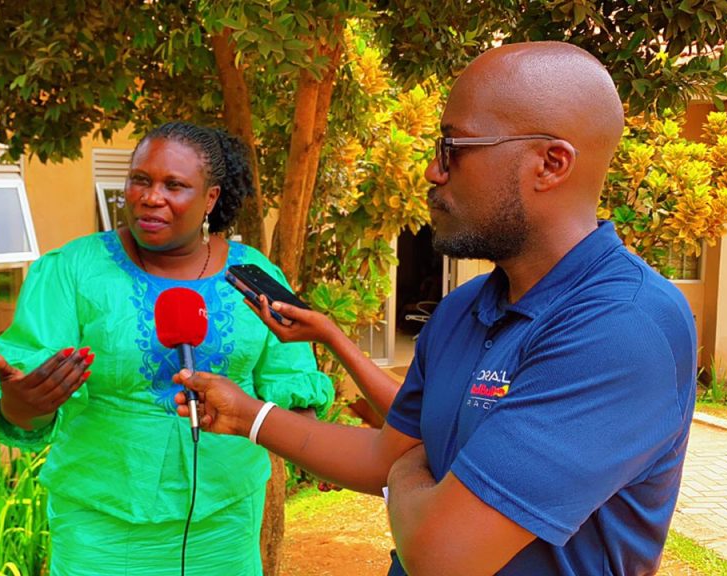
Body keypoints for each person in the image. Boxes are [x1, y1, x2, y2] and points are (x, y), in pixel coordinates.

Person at [174, 41, 697, 576]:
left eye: (453, 147)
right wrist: (247, 415)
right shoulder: (463, 309)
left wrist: (409, 462)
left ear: (550, 164)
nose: (432, 171)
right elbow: (382, 455)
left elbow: (439, 554)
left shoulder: (623, 326)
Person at [0, 121, 334, 575]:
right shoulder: (72, 271)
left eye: (174, 185)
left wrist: (320, 452)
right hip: (102, 529)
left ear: (210, 198)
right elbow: (25, 400)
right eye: (140, 180)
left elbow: (290, 384)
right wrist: (24, 404)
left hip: (224, 525)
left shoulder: (254, 277)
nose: (150, 197)